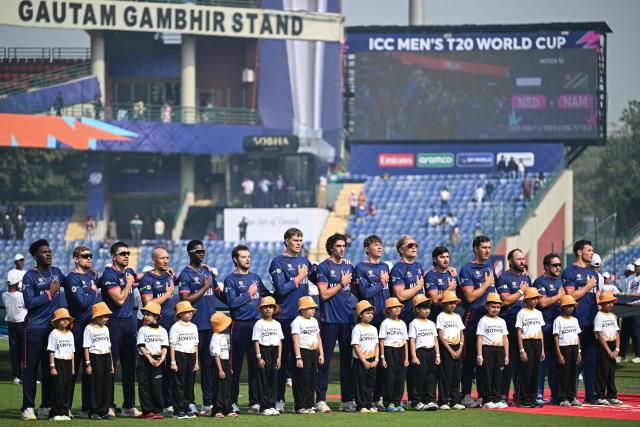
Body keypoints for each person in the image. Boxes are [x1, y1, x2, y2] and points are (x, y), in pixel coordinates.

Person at [21, 239, 66, 421]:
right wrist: (50, 293)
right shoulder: (29, 276)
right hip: (34, 329)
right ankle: (27, 407)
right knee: (30, 370)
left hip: (52, 331)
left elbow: (72, 281)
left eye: (49, 251)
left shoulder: (56, 272)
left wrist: (91, 274)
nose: (48, 254)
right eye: (44, 252)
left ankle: (46, 406)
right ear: (35, 256)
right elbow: (29, 303)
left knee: (50, 370)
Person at [268, 227, 312, 413]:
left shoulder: (305, 261)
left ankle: (300, 402)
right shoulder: (278, 262)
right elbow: (281, 289)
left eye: (301, 240)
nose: (299, 243)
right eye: (295, 240)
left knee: (300, 362)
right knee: (282, 361)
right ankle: (279, 399)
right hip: (285, 317)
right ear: (286, 241)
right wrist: (299, 277)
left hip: (302, 320)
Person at [177, 240, 221, 415]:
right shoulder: (186, 274)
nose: (202, 253)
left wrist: (235, 304)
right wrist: (205, 287)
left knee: (209, 367)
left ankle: (208, 402)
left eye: (203, 251)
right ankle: (190, 402)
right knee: (190, 368)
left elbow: (218, 293)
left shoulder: (208, 271)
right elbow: (185, 300)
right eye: (198, 251)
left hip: (210, 327)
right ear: (190, 253)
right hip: (193, 327)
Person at [98, 242, 141, 417]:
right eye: (122, 253)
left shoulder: (129, 273)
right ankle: (108, 404)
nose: (126, 256)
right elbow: (119, 300)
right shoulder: (109, 274)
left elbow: (141, 276)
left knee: (130, 366)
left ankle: (128, 406)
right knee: (111, 366)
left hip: (128, 323)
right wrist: (129, 284)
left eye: (128, 253)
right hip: (113, 323)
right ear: (113, 257)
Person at [223, 244, 267, 414]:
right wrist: (248, 294)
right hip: (239, 325)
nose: (247, 259)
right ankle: (232, 401)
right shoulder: (230, 279)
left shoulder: (255, 277)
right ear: (235, 259)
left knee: (256, 364)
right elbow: (231, 303)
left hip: (256, 325)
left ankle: (254, 402)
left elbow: (265, 294)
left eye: (248, 256)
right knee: (235, 366)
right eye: (243, 256)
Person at [315, 233, 355, 413]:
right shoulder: (324, 267)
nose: (342, 248)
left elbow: (354, 288)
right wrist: (341, 284)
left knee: (347, 363)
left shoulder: (349, 266)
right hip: (329, 319)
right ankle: (320, 399)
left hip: (347, 320)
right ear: (331, 247)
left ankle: (347, 400)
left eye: (343, 245)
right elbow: (323, 294)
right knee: (324, 361)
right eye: (338, 245)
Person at [62, 246, 101, 418]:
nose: (89, 258)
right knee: (73, 369)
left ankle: (87, 408)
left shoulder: (91, 275)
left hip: (92, 328)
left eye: (90, 256)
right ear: (76, 259)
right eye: (85, 256)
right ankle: (65, 407)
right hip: (78, 327)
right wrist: (92, 290)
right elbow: (82, 302)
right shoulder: (71, 278)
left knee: (89, 369)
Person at [459, 235, 497, 408]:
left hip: (490, 320)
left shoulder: (490, 267)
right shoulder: (467, 269)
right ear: (475, 248)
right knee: (469, 358)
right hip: (473, 316)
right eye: (484, 247)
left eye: (489, 247)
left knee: (487, 359)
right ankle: (466, 395)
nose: (487, 250)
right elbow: (470, 296)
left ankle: (484, 395)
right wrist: (487, 283)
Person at [354, 235, 390, 406]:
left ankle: (378, 397)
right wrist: (381, 282)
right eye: (376, 245)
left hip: (385, 320)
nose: (379, 247)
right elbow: (364, 293)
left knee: (382, 360)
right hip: (369, 321)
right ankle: (362, 398)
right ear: (367, 248)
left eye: (381, 245)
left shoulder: (385, 266)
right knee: (364, 362)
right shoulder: (361, 267)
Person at [139, 247, 177, 412]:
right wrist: (167, 294)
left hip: (170, 325)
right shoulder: (147, 279)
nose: (166, 260)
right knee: (152, 366)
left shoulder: (169, 276)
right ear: (153, 260)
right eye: (162, 258)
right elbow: (148, 305)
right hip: (153, 328)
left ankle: (167, 401)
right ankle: (152, 404)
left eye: (167, 257)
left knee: (170, 364)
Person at [561, 239, 598, 404]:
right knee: (574, 362)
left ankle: (592, 396)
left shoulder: (594, 273)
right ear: (579, 252)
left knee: (591, 362)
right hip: (575, 323)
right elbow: (569, 297)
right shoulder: (569, 271)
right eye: (589, 250)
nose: (591, 253)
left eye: (592, 250)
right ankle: (571, 396)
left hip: (592, 323)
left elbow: (596, 298)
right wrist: (587, 286)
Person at [497, 248, 531, 404]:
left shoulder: (526, 278)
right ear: (510, 261)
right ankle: (503, 395)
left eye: (523, 259)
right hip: (509, 322)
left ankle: (520, 395)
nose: (522, 262)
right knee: (509, 361)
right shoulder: (504, 278)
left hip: (524, 324)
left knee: (523, 362)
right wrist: (520, 291)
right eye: (518, 259)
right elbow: (505, 301)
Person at [533, 253, 565, 405]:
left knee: (555, 364)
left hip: (558, 328)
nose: (558, 267)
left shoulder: (560, 281)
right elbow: (543, 303)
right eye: (555, 265)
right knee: (542, 363)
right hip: (544, 327)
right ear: (546, 266)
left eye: (559, 265)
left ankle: (555, 395)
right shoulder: (540, 281)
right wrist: (559, 297)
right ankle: (538, 394)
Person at [476, 293, 509, 409]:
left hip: (499, 350)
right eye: (493, 307)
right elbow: (479, 338)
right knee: (487, 375)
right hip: (487, 349)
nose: (495, 309)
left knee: (498, 375)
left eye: (498, 307)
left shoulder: (502, 321)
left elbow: (505, 338)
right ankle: (487, 399)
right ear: (487, 307)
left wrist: (506, 355)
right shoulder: (483, 321)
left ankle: (497, 398)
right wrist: (479, 355)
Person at [136, 302, 169, 420]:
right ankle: (147, 411)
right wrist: (149, 358)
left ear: (156, 316)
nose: (145, 316)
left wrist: (162, 359)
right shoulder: (142, 329)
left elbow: (165, 346)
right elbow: (141, 345)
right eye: (144, 314)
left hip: (158, 360)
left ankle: (157, 410)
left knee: (156, 385)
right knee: (144, 385)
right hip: (144, 360)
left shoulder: (163, 331)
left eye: (148, 314)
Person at [291, 296, 323, 414]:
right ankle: (300, 406)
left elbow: (318, 338)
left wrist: (321, 354)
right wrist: (298, 357)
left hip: (314, 352)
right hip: (303, 352)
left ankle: (310, 404)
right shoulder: (297, 321)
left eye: (314, 308)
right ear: (302, 309)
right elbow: (295, 340)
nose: (313, 310)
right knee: (302, 380)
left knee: (312, 379)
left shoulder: (314, 321)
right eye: (310, 308)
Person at [408, 294, 440, 411]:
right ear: (417, 309)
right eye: (424, 308)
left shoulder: (431, 323)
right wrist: (413, 356)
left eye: (428, 308)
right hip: (420, 352)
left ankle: (430, 400)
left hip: (431, 351)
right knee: (419, 377)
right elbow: (412, 340)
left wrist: (437, 355)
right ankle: (417, 401)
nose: (427, 311)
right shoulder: (414, 323)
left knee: (431, 377)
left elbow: (435, 340)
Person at [253, 296, 283, 417]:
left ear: (274, 309)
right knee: (263, 379)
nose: (268, 309)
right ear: (262, 309)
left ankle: (272, 404)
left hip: (274, 351)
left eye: (270, 307)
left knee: (273, 379)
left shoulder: (277, 324)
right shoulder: (259, 324)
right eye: (265, 307)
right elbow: (256, 341)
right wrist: (259, 357)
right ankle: (264, 406)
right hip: (263, 351)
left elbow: (280, 342)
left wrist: (279, 357)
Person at [84, 302, 115, 420]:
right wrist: (88, 364)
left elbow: (109, 346)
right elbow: (86, 347)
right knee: (96, 384)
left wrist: (111, 363)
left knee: (106, 385)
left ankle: (104, 410)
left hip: (106, 356)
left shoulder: (106, 328)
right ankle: (94, 411)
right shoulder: (89, 328)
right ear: (97, 316)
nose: (107, 319)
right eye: (104, 316)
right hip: (95, 357)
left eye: (107, 316)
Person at [515, 288, 545, 408]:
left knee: (535, 372)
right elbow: (518, 331)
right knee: (526, 372)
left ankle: (532, 398)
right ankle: (523, 399)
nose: (535, 300)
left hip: (537, 343)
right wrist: (522, 350)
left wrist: (542, 349)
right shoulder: (522, 312)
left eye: (536, 298)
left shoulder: (538, 313)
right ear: (526, 300)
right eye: (533, 298)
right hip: (526, 343)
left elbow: (540, 331)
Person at [169, 301, 199, 419]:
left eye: (191, 311)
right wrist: (173, 362)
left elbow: (196, 345)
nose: (190, 313)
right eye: (187, 311)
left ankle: (187, 407)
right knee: (179, 383)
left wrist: (196, 361)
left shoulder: (194, 327)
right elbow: (172, 345)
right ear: (180, 314)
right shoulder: (175, 327)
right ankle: (178, 410)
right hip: (179, 355)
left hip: (191, 356)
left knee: (189, 384)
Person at [436, 291, 466, 410]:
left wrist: (460, 348)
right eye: (450, 303)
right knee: (445, 375)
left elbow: (461, 333)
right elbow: (440, 334)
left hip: (457, 347)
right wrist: (450, 350)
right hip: (446, 348)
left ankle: (455, 401)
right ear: (443, 304)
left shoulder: (457, 317)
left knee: (456, 376)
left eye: (454, 303)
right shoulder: (441, 316)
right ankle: (443, 401)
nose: (453, 305)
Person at [379, 297, 408, 412]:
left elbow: (405, 341)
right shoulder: (385, 323)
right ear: (388, 310)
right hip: (389, 350)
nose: (397, 309)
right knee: (390, 377)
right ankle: (388, 403)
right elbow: (381, 340)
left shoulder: (402, 323)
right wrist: (382, 357)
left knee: (400, 378)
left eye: (398, 307)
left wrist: (406, 358)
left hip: (400, 350)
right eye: (394, 307)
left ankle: (397, 402)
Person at [594, 291, 623, 405]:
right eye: (607, 302)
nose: (610, 304)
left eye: (611, 302)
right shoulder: (599, 316)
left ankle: (612, 395)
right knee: (603, 372)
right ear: (602, 303)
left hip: (612, 345)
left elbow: (617, 333)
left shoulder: (612, 316)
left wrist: (617, 349)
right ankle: (600, 396)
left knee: (611, 371)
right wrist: (608, 351)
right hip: (603, 346)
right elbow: (599, 334)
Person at [351, 300, 379, 413]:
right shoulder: (357, 328)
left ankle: (369, 403)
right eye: (367, 313)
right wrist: (364, 361)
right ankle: (361, 405)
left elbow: (377, 345)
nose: (370, 315)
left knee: (370, 383)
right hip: (360, 361)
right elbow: (356, 346)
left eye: (371, 313)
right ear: (360, 314)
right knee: (360, 383)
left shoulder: (374, 329)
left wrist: (376, 359)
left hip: (372, 360)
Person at [47, 308, 75, 421]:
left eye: (67, 319)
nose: (65, 321)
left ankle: (64, 412)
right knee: (57, 389)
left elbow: (72, 352)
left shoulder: (70, 334)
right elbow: (51, 351)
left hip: (68, 363)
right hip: (58, 362)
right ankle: (55, 413)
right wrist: (52, 366)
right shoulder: (54, 334)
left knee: (66, 389)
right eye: (62, 319)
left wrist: (72, 367)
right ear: (57, 321)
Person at [553, 295, 582, 407]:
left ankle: (572, 397)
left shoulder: (575, 320)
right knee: (563, 374)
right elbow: (556, 337)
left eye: (572, 306)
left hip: (574, 347)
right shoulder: (558, 320)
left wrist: (579, 351)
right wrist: (559, 353)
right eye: (568, 306)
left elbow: (577, 336)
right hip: (564, 348)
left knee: (573, 374)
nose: (570, 308)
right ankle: (562, 398)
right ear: (562, 308)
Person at [390, 236, 425, 325]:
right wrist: (418, 287)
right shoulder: (398, 268)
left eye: (415, 245)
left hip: (422, 315)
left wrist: (447, 269)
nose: (414, 247)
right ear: (401, 250)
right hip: (407, 316)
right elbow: (401, 295)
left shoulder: (419, 266)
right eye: (410, 245)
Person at [209, 312, 234, 417]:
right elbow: (216, 354)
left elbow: (226, 352)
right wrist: (220, 370)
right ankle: (217, 410)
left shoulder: (223, 336)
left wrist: (229, 367)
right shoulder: (215, 337)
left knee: (227, 387)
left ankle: (227, 409)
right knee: (219, 387)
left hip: (225, 363)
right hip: (218, 364)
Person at [4, 270, 26, 384]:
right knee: (25, 351)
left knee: (14, 352)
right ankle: (27, 376)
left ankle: (17, 376)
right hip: (21, 325)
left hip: (11, 325)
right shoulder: (20, 296)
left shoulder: (4, 295)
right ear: (17, 283)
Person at [620, 260, 640, 363]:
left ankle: (638, 354)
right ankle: (622, 354)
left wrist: (629, 295)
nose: (636, 268)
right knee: (624, 331)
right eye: (635, 266)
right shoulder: (629, 279)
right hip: (627, 306)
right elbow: (625, 292)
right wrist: (624, 295)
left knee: (636, 331)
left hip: (637, 306)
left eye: (638, 266)